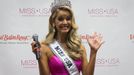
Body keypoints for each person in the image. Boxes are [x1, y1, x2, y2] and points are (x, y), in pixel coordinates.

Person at [31, 0, 104, 75]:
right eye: (60, 19)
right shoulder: (45, 48)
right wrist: (39, 56)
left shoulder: (79, 47)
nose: (65, 22)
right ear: (53, 22)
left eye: (68, 19)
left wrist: (93, 52)